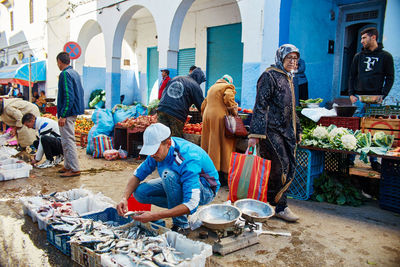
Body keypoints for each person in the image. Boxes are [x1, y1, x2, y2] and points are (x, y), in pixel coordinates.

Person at [116, 123, 220, 233]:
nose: (152, 155)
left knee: (168, 175)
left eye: (155, 150)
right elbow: (137, 175)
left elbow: (191, 203)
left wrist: (155, 216)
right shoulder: (156, 153)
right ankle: (177, 207)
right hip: (178, 181)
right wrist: (124, 198)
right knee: (140, 193)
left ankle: (181, 225)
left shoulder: (188, 158)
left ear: (168, 143)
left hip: (205, 190)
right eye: (150, 151)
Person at [247, 44, 302, 222]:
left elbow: (293, 108)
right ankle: (280, 206)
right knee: (282, 165)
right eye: (289, 58)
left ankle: (268, 203)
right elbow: (260, 106)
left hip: (286, 130)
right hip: (270, 130)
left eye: (295, 58)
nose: (293, 62)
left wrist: (298, 129)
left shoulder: (289, 78)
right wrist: (255, 134)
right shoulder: (269, 76)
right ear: (281, 58)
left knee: (289, 166)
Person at [348, 27, 394, 172]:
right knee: (355, 130)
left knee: (373, 131)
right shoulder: (358, 56)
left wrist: (383, 95)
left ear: (373, 37)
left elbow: (390, 77)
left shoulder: (386, 56)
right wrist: (351, 94)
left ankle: (374, 160)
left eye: (364, 38)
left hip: (375, 100)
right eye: (361, 38)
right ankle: (350, 159)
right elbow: (352, 76)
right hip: (359, 98)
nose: (361, 41)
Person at [201, 74, 238, 185]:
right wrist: (234, 110)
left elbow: (203, 104)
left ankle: (209, 171)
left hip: (208, 117)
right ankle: (223, 174)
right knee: (224, 143)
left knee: (211, 143)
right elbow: (228, 98)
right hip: (220, 117)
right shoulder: (227, 87)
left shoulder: (212, 87)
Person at [56, 52, 85, 177]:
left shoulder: (65, 74)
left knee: (68, 140)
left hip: (68, 112)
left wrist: (63, 114)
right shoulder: (74, 73)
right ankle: (68, 165)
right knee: (66, 140)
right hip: (73, 111)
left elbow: (69, 96)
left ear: (59, 61)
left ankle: (74, 168)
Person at [157, 67, 206, 137]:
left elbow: (164, 93)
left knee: (162, 137)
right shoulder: (195, 85)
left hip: (161, 109)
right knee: (175, 139)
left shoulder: (176, 78)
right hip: (176, 113)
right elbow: (202, 106)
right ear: (198, 78)